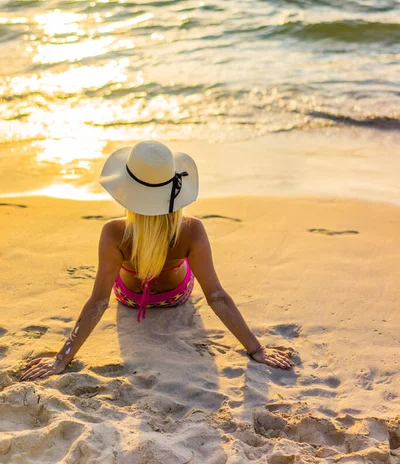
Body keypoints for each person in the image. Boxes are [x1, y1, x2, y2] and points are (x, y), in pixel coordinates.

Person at [20, 141, 293, 381]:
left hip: (128, 297)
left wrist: (62, 358)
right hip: (175, 297)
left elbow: (99, 301)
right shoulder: (192, 229)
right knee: (181, 264)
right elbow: (217, 296)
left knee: (117, 269)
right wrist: (256, 349)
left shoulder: (114, 232)